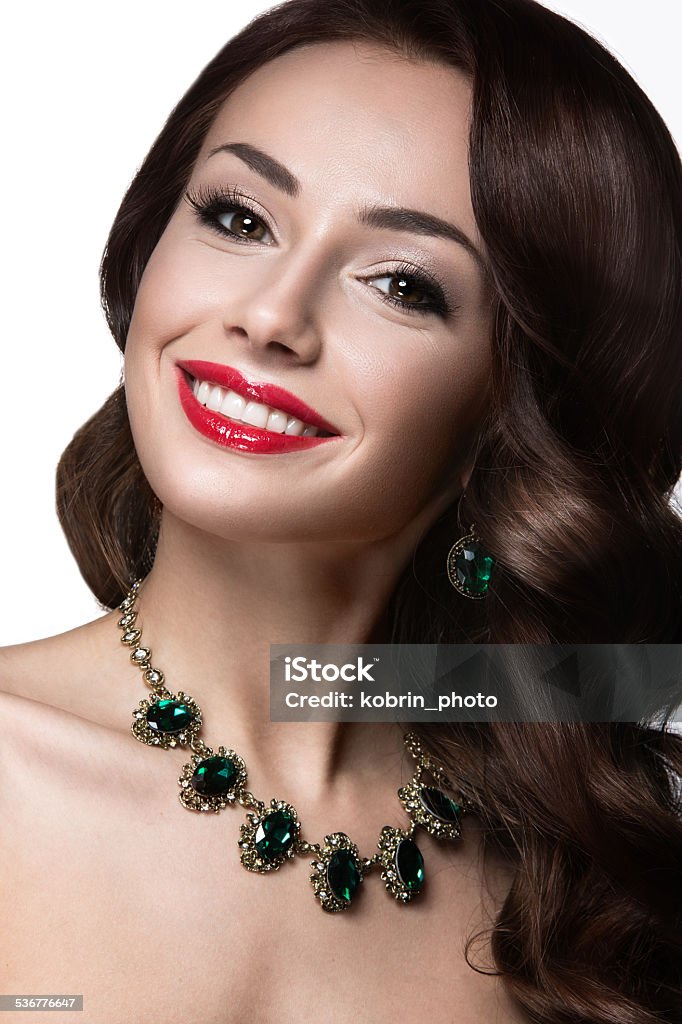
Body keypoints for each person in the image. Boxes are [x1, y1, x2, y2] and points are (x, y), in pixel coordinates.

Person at [1, 0, 681, 1021]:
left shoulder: (580, 880)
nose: (271, 316)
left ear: (522, 405)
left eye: (402, 284)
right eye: (238, 218)